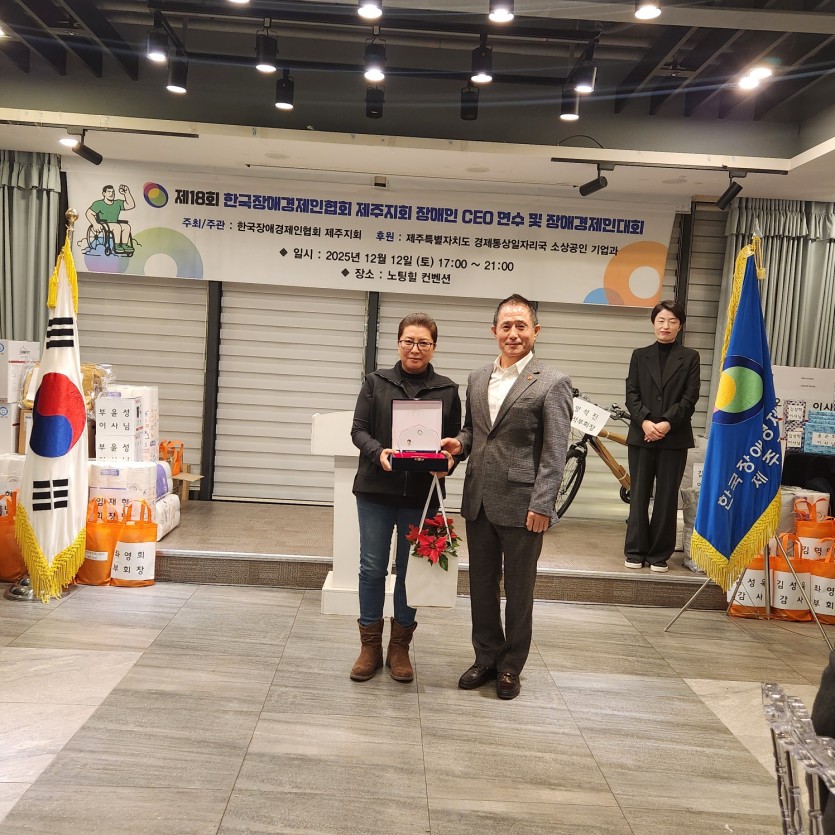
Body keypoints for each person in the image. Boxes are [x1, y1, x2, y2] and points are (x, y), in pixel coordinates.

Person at [441, 294, 572, 700]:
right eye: (506, 326)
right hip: (478, 498)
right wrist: (459, 444)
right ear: (494, 331)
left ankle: (511, 666)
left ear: (536, 331)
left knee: (518, 590)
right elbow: (474, 430)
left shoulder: (552, 382)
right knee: (481, 586)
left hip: (523, 504)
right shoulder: (478, 377)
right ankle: (486, 657)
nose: (513, 333)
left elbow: (556, 451)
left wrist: (543, 504)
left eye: (521, 326)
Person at [349, 313, 461, 684]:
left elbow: (457, 442)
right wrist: (378, 452)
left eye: (423, 343)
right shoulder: (376, 382)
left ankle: (399, 647)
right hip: (376, 490)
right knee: (371, 568)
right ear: (398, 343)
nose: (415, 349)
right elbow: (358, 430)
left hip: (421, 495)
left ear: (434, 347)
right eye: (408, 341)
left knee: (410, 571)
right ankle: (369, 646)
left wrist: (450, 461)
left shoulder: (447, 389)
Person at [624, 299, 700, 572]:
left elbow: (690, 397)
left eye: (672, 321)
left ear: (680, 326)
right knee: (639, 495)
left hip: (674, 437)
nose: (665, 326)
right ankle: (635, 550)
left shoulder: (690, 357)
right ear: (653, 323)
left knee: (667, 497)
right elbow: (631, 393)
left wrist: (667, 423)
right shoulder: (639, 355)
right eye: (661, 320)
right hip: (641, 435)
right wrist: (645, 422)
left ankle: (659, 554)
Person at [86, 184, 135, 255]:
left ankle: (124, 245)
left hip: (114, 223)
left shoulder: (117, 203)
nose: (111, 194)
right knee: (117, 226)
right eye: (109, 192)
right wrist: (95, 224)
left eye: (113, 192)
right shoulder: (99, 204)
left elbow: (131, 205)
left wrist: (126, 193)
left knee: (126, 226)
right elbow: (89, 213)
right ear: (104, 193)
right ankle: (117, 246)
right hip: (103, 223)